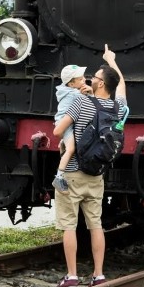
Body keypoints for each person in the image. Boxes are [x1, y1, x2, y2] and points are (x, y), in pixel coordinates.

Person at [53, 44, 127, 287]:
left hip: (72, 172)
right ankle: (98, 274)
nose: (90, 79)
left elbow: (58, 130)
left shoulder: (81, 103)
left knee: (69, 226)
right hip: (96, 175)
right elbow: (121, 85)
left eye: (95, 77)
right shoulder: (119, 107)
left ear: (101, 85)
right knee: (96, 224)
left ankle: (72, 276)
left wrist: (61, 140)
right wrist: (112, 61)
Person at [52, 64, 87, 193]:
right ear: (72, 84)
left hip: (64, 122)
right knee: (71, 149)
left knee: (69, 144)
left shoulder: (66, 90)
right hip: (65, 124)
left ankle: (63, 144)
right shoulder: (74, 95)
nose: (84, 80)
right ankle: (59, 177)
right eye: (80, 79)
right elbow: (88, 101)